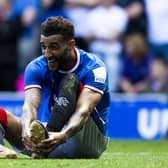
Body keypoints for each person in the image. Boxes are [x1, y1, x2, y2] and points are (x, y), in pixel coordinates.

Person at [0, 16, 110, 159]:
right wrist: (26, 129)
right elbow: (30, 106)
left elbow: (84, 111)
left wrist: (63, 135)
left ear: (71, 44)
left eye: (54, 47)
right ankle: (6, 150)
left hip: (85, 139)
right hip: (50, 139)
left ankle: (49, 135)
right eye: (43, 47)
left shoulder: (95, 67)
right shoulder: (36, 67)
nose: (47, 54)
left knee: (70, 80)